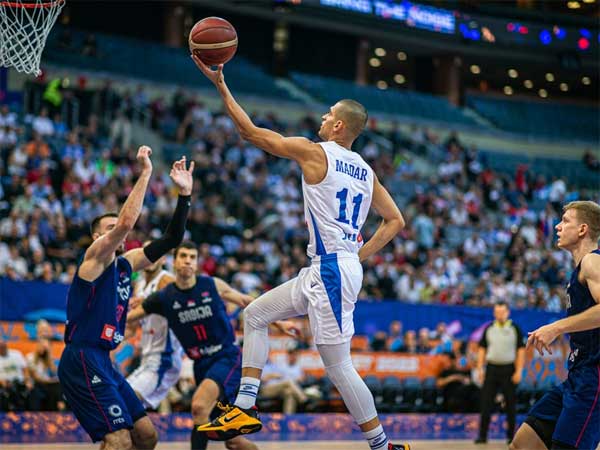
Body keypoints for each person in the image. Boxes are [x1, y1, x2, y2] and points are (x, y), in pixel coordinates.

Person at [191, 55, 409, 450]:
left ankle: (382, 446)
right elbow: (395, 220)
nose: (322, 119)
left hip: (331, 270)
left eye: (328, 115)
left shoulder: (316, 152)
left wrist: (220, 84)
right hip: (327, 267)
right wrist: (358, 256)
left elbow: (251, 134)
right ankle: (244, 405)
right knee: (254, 314)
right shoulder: (366, 169)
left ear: (339, 125)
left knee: (339, 367)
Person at [57, 146, 194, 450]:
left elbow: (172, 239)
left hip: (104, 359)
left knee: (146, 436)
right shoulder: (93, 258)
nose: (116, 233)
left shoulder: (126, 263)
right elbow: (125, 224)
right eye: (108, 229)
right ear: (97, 238)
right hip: (82, 357)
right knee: (117, 440)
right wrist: (146, 172)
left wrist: (184, 196)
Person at [127, 241, 298, 450]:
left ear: (197, 263)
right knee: (233, 441)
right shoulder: (164, 297)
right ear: (175, 261)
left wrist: (279, 321)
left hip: (227, 357)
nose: (187, 261)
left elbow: (245, 300)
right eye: (183, 256)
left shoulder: (211, 285)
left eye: (192, 257)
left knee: (199, 406)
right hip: (202, 365)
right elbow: (128, 318)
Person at [511, 201, 600, 450]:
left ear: (582, 229)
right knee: (523, 444)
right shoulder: (579, 269)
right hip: (577, 376)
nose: (558, 227)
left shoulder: (592, 262)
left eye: (566, 221)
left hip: (594, 380)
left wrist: (557, 327)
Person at [126, 242, 183, 410]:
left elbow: (178, 308)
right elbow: (132, 326)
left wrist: (148, 302)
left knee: (128, 399)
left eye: (156, 253)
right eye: (147, 253)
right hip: (147, 356)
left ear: (164, 259)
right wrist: (113, 346)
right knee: (124, 403)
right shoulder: (139, 284)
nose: (151, 257)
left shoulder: (167, 280)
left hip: (165, 357)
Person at [475, 301, 525, 444]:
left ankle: (511, 437)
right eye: (497, 312)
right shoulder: (489, 329)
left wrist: (519, 371)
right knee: (486, 403)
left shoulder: (515, 328)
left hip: (509, 369)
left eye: (502, 312)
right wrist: (480, 368)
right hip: (491, 368)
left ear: (508, 312)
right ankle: (482, 436)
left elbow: (520, 351)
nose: (500, 314)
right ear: (494, 313)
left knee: (510, 404)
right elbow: (482, 349)